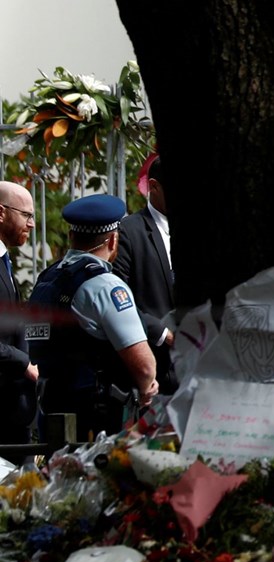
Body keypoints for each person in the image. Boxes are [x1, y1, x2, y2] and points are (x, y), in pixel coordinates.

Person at [27, 194, 159, 435]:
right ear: (113, 239)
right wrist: (146, 386)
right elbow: (144, 368)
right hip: (96, 423)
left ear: (71, 237)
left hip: (51, 417)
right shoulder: (106, 286)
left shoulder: (47, 279)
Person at [113, 156, 178, 394]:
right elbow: (117, 298)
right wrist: (161, 333)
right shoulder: (129, 231)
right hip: (155, 371)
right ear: (153, 186)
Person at [0, 182, 38, 442]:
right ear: (1, 213)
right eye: (26, 215)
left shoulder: (5, 260)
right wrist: (22, 362)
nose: (32, 224)